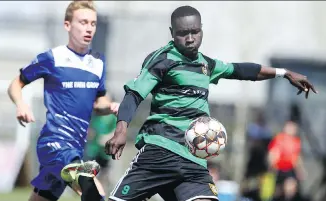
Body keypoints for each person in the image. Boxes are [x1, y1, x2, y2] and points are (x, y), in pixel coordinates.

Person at [105, 5, 317, 201]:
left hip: (193, 158)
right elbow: (134, 94)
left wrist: (284, 73)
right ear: (172, 33)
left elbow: (242, 71)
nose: (190, 38)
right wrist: (121, 129)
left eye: (195, 32)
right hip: (160, 152)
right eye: (182, 33)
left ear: (202, 30)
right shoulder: (163, 60)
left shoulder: (206, 64)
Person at [7, 1, 119, 201]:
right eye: (83, 22)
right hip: (54, 144)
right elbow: (15, 84)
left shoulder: (98, 62)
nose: (89, 28)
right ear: (67, 25)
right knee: (95, 194)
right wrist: (21, 104)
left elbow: (98, 101)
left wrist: (110, 107)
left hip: (76, 147)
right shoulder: (52, 58)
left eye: (92, 24)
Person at [268, 121, 305, 200]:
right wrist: (272, 164)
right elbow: (273, 153)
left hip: (290, 168)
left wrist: (300, 170)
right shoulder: (279, 139)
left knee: (291, 187)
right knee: (278, 189)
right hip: (279, 168)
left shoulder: (296, 141)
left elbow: (297, 157)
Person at [84, 112, 117, 194]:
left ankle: (101, 193)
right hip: (92, 149)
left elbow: (116, 131)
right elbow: (89, 129)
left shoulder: (112, 117)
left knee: (103, 173)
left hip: (104, 151)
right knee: (88, 173)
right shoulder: (94, 114)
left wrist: (107, 138)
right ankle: (88, 192)